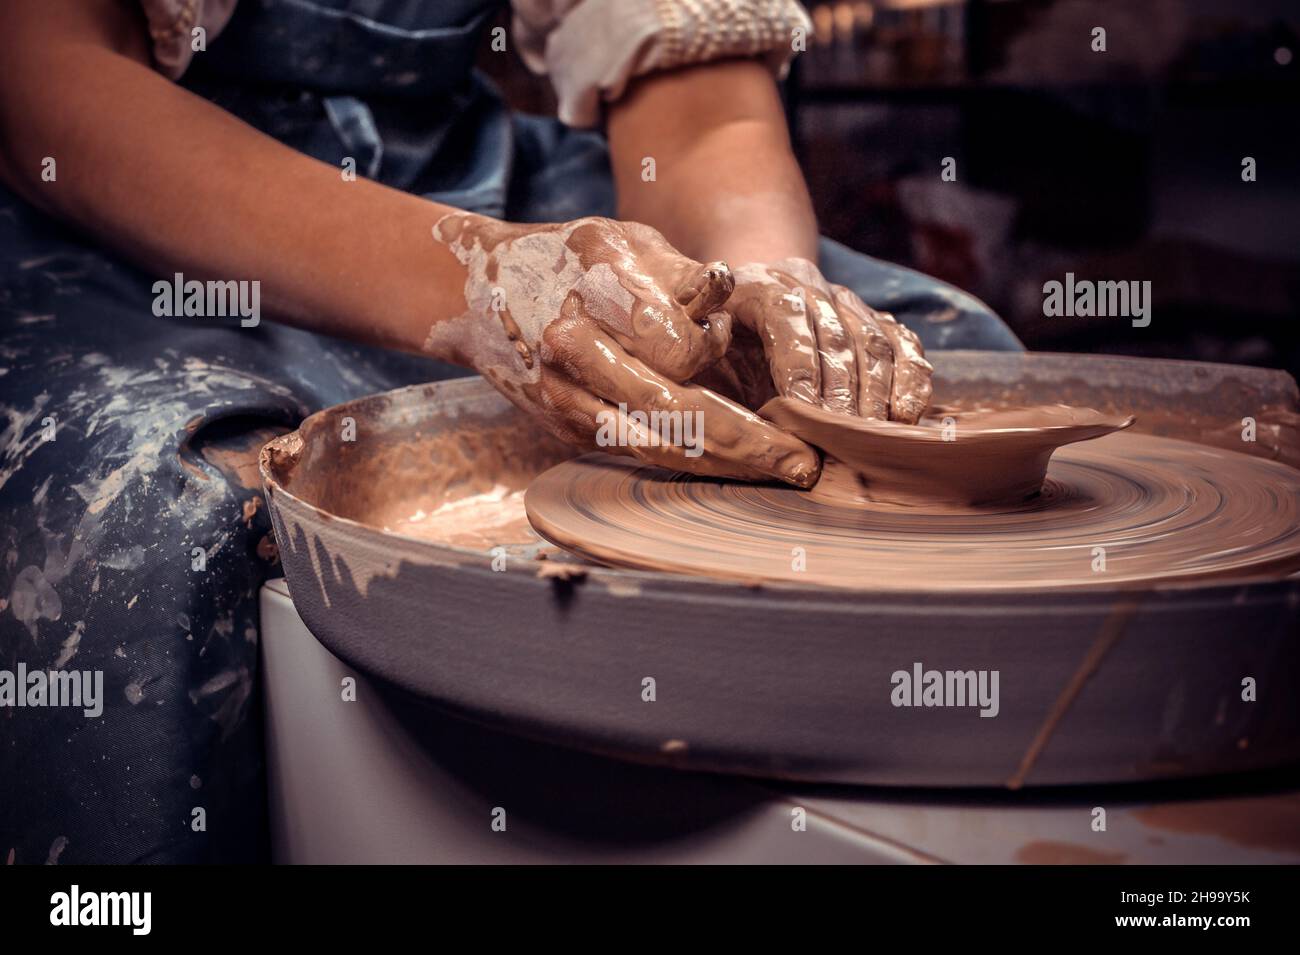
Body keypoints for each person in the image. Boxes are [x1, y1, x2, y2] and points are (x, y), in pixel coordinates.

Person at [0, 0, 1020, 863]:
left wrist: (757, 283)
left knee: (943, 358)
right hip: (148, 199)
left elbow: (695, 106)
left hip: (471, 168)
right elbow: (46, 79)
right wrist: (479, 282)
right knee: (155, 503)